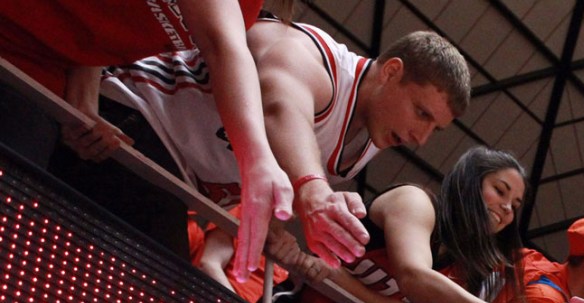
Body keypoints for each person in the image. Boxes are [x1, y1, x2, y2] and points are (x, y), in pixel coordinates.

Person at [101, 19, 471, 275]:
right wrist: (313, 188)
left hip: (173, 181)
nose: (421, 137)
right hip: (128, 113)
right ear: (391, 72)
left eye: (434, 129)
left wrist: (279, 230)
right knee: (159, 294)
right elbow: (280, 103)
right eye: (421, 113)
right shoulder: (319, 61)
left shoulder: (368, 143)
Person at [0, 0, 292, 280]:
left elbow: (107, 28)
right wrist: (258, 157)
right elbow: (220, 46)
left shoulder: (247, 9)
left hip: (38, 76)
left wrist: (84, 104)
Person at [283, 146, 567, 303]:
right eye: (500, 190)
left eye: (516, 206)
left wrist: (338, 281)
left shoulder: (466, 270)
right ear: (469, 183)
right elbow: (413, 277)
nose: (507, 208)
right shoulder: (414, 201)